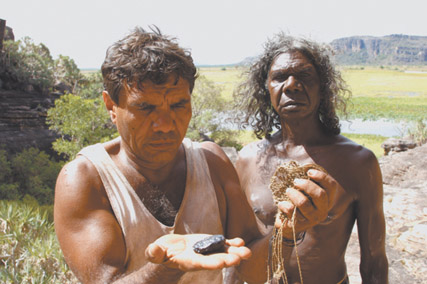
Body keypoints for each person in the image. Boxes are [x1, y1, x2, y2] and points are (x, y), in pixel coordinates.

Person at [53, 26, 261, 284]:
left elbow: (254, 265)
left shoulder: (212, 163)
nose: (164, 124)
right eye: (145, 107)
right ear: (111, 106)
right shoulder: (87, 180)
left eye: (178, 105)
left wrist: (293, 228)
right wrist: (169, 267)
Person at [233, 33, 389, 283]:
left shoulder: (358, 162)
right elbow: (238, 251)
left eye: (304, 76)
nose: (292, 85)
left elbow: (374, 260)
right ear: (267, 88)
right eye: (279, 77)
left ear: (323, 87)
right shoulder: (248, 159)